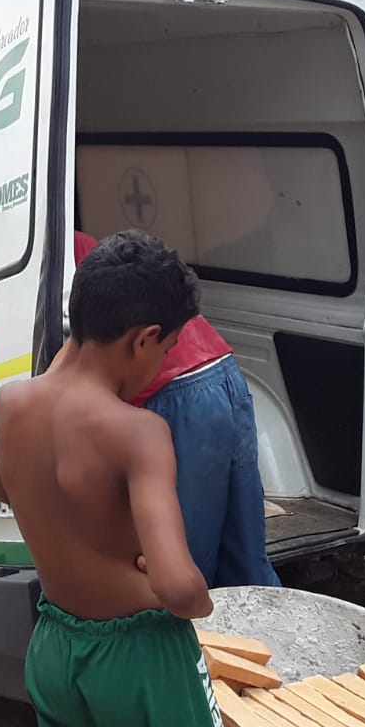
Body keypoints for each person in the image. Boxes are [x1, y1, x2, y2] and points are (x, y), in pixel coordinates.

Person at [0, 230, 236, 727]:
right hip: (142, 660)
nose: (163, 362)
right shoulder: (138, 432)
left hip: (54, 649)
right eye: (166, 348)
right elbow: (176, 584)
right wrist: (196, 599)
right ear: (143, 338)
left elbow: (2, 485)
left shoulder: (13, 403)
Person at [74, 230, 280, 589]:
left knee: (178, 568)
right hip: (221, 372)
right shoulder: (82, 244)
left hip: (178, 396)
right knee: (246, 567)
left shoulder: (40, 245)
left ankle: (200, 645)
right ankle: (268, 642)